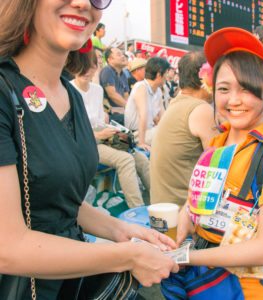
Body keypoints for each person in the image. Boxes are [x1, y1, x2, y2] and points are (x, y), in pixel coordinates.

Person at [0, 0, 179, 299]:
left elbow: (59, 200)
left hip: (69, 280)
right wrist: (128, 256)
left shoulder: (70, 94)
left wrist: (122, 231)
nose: (83, 3)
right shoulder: (4, 91)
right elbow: (8, 245)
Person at [162, 27, 263, 300]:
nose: (234, 100)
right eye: (224, 88)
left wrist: (187, 256)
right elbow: (195, 205)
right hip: (202, 285)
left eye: (247, 89)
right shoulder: (216, 145)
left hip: (249, 292)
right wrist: (181, 227)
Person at [70, 50, 150, 208]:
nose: (86, 71)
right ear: (74, 67)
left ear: (96, 67)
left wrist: (114, 131)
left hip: (103, 137)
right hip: (84, 144)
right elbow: (71, 132)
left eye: (91, 66)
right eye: (82, 67)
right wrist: (100, 135)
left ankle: (155, 203)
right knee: (125, 159)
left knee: (140, 159)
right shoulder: (68, 90)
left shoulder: (97, 90)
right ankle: (138, 209)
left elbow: (100, 120)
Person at [150, 51, 217, 207]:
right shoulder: (201, 110)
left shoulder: (176, 103)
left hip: (162, 206)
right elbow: (220, 166)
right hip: (183, 213)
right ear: (207, 78)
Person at [125, 57, 170, 150]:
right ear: (159, 74)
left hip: (149, 131)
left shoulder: (157, 90)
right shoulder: (141, 87)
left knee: (173, 130)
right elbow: (143, 116)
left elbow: (163, 116)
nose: (167, 77)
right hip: (136, 134)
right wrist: (141, 143)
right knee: (171, 133)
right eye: (166, 73)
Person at [100, 47, 129, 124]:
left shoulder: (123, 75)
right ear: (110, 59)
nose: (123, 56)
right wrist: (130, 108)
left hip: (120, 112)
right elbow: (112, 94)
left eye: (122, 54)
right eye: (119, 54)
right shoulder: (107, 70)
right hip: (108, 114)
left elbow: (126, 96)